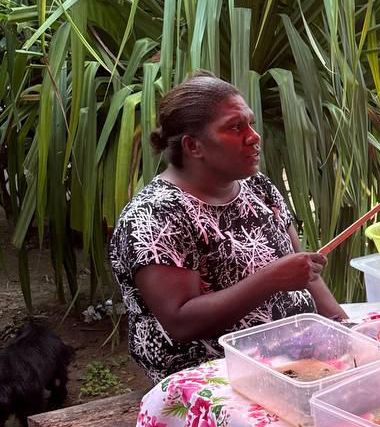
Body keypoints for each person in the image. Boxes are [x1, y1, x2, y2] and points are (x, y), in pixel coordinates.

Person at [110, 72, 347, 383]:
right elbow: (181, 321)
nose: (253, 136)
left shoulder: (257, 187)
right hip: (213, 376)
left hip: (296, 358)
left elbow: (302, 271)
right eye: (235, 127)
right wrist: (271, 279)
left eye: (250, 123)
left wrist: (341, 326)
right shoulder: (157, 214)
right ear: (193, 146)